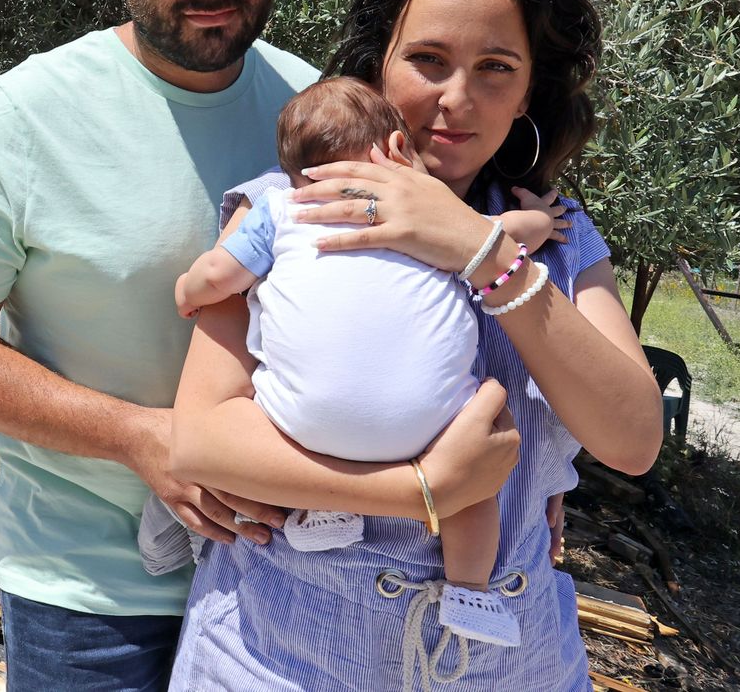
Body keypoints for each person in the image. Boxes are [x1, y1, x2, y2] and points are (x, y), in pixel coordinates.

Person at [0, 0, 442, 689]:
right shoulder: (24, 117)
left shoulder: (324, 110)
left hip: (295, 588)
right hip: (91, 599)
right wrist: (145, 438)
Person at [168, 0, 663, 691]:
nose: (456, 98)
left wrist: (477, 248)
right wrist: (427, 489)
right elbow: (202, 443)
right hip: (276, 657)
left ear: (529, 90)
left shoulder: (560, 240)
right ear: (378, 66)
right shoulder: (293, 207)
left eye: (496, 67)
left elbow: (632, 441)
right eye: (427, 60)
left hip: (513, 665)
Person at [141, 77, 565, 653]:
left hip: (303, 426)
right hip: (435, 427)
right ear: (396, 149)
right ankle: (471, 593)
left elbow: (219, 276)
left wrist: (186, 289)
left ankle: (320, 510)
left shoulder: (278, 208)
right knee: (474, 495)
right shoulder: (438, 216)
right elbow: (516, 236)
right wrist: (542, 217)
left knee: (282, 403)